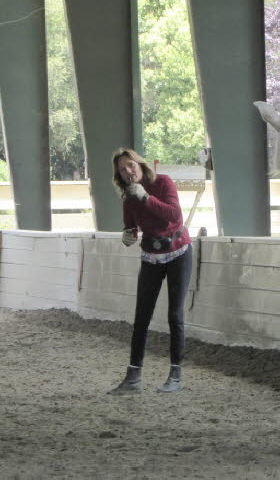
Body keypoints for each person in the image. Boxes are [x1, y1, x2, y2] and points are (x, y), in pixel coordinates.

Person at [108, 148, 193, 394]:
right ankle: (133, 376)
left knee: (174, 315)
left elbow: (174, 215)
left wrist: (145, 197)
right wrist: (128, 235)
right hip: (151, 255)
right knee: (142, 316)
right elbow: (131, 226)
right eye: (122, 170)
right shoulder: (128, 197)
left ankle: (175, 375)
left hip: (178, 250)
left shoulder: (163, 182)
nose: (128, 171)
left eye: (130, 165)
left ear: (139, 164)